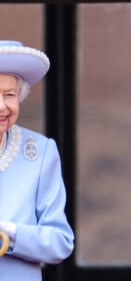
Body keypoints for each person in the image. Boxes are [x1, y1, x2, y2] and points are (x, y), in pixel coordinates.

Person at [0, 40, 74, 280]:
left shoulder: (40, 152)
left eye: (9, 94)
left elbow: (60, 242)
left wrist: (8, 235)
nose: (2, 106)